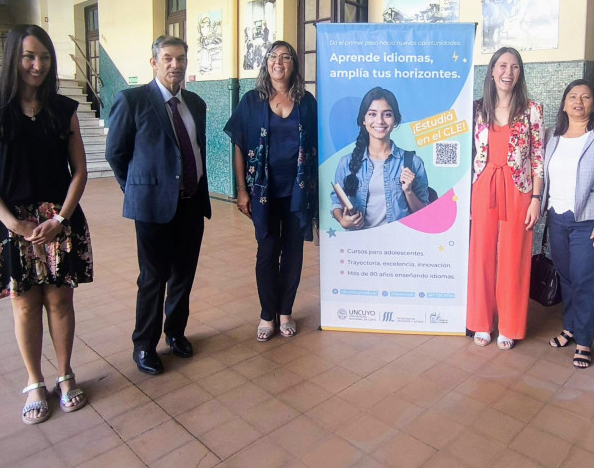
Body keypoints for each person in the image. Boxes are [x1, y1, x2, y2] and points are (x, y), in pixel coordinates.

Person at [0, 24, 93, 425]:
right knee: (24, 306)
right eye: (28, 57)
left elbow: (80, 171)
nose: (37, 65)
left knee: (60, 301)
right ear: (13, 60)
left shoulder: (63, 110)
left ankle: (65, 374)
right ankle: (35, 381)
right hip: (11, 224)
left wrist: (61, 217)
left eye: (44, 57)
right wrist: (13, 224)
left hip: (58, 221)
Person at [105, 35, 212, 376]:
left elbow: (196, 149)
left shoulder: (195, 104)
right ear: (154, 62)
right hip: (153, 209)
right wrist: (137, 189)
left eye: (180, 58)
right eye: (167, 58)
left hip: (192, 205)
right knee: (153, 278)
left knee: (183, 275)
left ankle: (175, 333)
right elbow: (116, 154)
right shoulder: (132, 101)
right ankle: (144, 345)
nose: (175, 64)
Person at [225, 41, 317, 342]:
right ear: (266, 64)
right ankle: (267, 313)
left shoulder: (307, 102)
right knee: (267, 252)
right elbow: (238, 144)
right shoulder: (251, 101)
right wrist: (241, 189)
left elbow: (318, 145)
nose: (279, 62)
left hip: (297, 192)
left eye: (286, 57)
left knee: (293, 253)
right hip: (263, 192)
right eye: (274, 56)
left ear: (294, 65)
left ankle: (285, 311)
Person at [540, 80, 594, 369]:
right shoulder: (552, 135)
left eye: (586, 97)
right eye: (573, 96)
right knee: (566, 276)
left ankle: (584, 341)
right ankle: (570, 328)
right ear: (564, 104)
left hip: (590, 220)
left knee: (586, 280)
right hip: (557, 216)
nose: (579, 101)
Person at [467, 47, 544, 350]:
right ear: (492, 70)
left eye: (514, 67)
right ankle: (481, 322)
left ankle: (509, 325)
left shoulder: (532, 110)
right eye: (502, 65)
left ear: (519, 73)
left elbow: (538, 157)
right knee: (482, 254)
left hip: (519, 187)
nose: (508, 72)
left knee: (514, 255)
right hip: (483, 184)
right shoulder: (476, 109)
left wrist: (536, 198)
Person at [330, 87, 431, 230]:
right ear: (363, 120)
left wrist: (409, 191)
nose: (380, 121)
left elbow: (424, 214)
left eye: (387, 114)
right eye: (372, 114)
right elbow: (336, 202)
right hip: (359, 246)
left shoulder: (413, 162)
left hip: (399, 246)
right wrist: (343, 220)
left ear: (395, 120)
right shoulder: (346, 163)